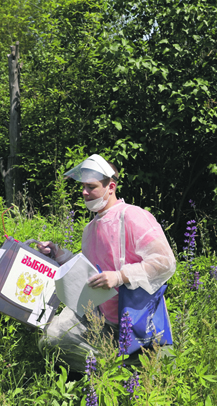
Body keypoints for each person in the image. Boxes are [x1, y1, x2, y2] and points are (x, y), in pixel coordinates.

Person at [37, 154, 176, 371]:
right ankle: (108, 372)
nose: (84, 192)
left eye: (90, 187)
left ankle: (118, 372)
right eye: (83, 187)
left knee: (152, 383)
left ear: (111, 187)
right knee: (52, 339)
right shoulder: (91, 228)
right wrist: (57, 253)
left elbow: (165, 262)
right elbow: (89, 270)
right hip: (104, 320)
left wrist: (120, 276)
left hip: (140, 321)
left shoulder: (132, 216)